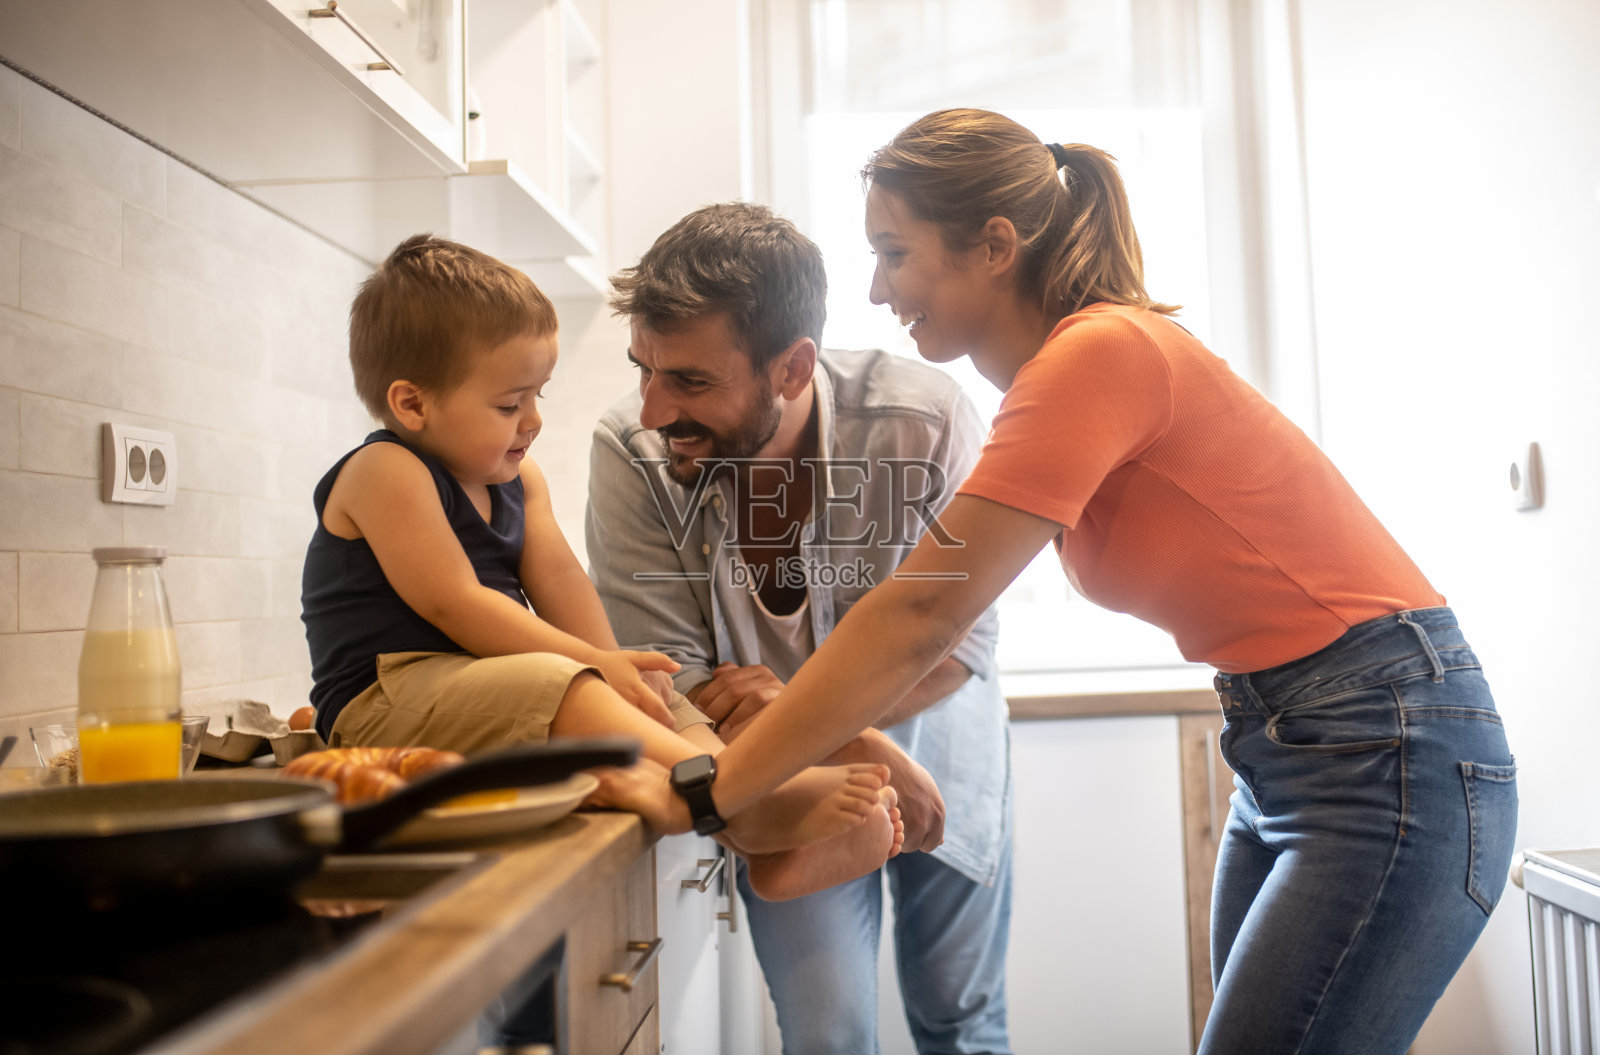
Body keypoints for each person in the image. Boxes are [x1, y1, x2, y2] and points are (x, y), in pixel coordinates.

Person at [691, 110, 1520, 1055]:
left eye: (894, 253)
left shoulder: (1099, 354)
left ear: (995, 246)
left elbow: (921, 613)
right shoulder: (1057, 381)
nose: (877, 290)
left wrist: (713, 790)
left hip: (1387, 738)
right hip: (1295, 744)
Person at [297, 233, 904, 897]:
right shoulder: (386, 470)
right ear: (412, 404)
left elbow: (560, 580)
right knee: (571, 679)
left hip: (487, 686)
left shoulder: (517, 480)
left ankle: (753, 825)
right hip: (385, 701)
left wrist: (619, 666)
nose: (531, 420)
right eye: (508, 404)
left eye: (538, 397)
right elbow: (457, 604)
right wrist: (591, 669)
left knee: (650, 686)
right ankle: (743, 801)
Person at [588, 202, 1014, 1054]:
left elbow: (958, 645)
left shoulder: (919, 422)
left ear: (791, 368)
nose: (651, 410)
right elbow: (666, 680)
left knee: (960, 1023)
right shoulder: (632, 456)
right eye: (645, 368)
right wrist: (852, 741)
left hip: (942, 746)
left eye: (692, 382)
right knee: (828, 1035)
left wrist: (790, 702)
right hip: (782, 782)